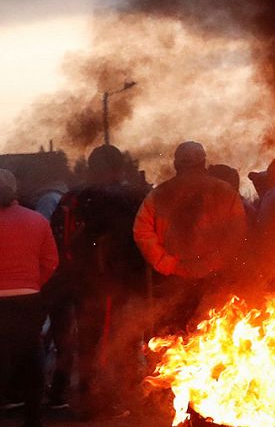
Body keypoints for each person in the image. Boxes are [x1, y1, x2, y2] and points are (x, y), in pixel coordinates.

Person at [50, 145, 147, 418]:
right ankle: (101, 403)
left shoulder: (71, 198)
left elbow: (57, 238)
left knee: (89, 342)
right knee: (112, 342)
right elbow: (138, 241)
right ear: (116, 169)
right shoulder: (122, 198)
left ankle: (96, 397)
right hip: (110, 283)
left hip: (81, 282)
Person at [133, 141, 248, 330]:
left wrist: (169, 264)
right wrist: (212, 263)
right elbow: (237, 233)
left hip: (171, 280)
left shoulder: (159, 194)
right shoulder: (225, 192)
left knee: (170, 336)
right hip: (214, 278)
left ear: (176, 165)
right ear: (203, 163)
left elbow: (142, 233)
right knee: (212, 334)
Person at [1, 169, 58, 427]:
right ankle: (33, 417)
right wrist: (32, 283)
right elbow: (50, 262)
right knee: (31, 354)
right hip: (28, 298)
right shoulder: (36, 220)